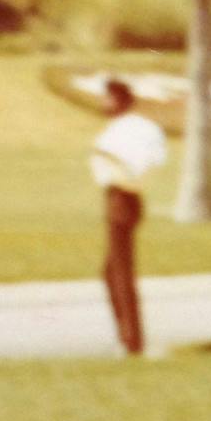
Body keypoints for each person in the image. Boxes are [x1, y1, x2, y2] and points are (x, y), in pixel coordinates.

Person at [90, 77, 166, 357]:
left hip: (119, 199)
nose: (103, 103)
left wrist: (122, 176)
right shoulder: (142, 128)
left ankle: (131, 341)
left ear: (118, 100)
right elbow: (156, 159)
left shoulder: (119, 132)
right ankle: (127, 336)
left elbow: (116, 166)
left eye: (107, 97)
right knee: (112, 272)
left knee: (120, 272)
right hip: (130, 200)